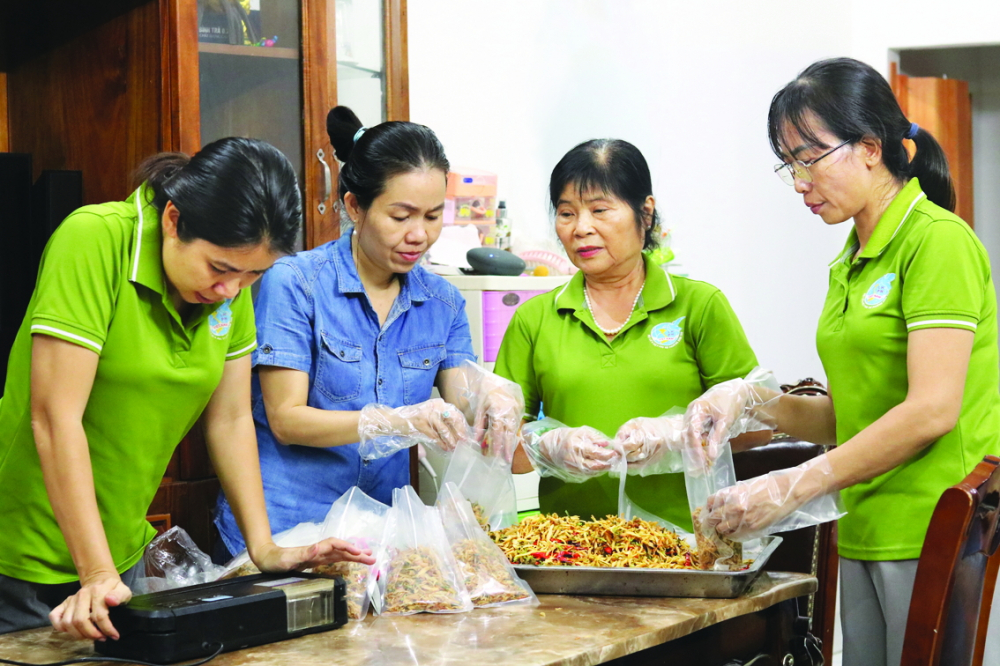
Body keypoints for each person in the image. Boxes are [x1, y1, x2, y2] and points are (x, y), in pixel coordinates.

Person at [684, 57, 1000, 666]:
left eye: (810, 157)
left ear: (871, 148)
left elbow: (932, 410)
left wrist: (796, 483)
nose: (799, 180)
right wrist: (753, 403)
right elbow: (849, 414)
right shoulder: (851, 258)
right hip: (860, 521)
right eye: (788, 164)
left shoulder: (936, 242)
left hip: (929, 528)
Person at [0, 138, 374, 640]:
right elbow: (54, 417)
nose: (231, 290)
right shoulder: (95, 239)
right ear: (173, 220)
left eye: (252, 275)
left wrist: (261, 548)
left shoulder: (229, 286)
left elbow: (231, 419)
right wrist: (93, 572)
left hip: (117, 557)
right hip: (17, 552)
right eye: (220, 269)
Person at [213, 107, 520, 560]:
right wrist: (396, 421)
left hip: (376, 538)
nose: (419, 234)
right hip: (284, 532)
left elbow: (464, 400)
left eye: (433, 216)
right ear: (355, 206)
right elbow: (286, 420)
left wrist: (494, 401)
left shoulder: (444, 304)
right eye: (401, 216)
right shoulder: (296, 283)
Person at [494, 138, 767, 531]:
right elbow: (500, 450)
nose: (581, 228)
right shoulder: (534, 318)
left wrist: (676, 437)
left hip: (686, 545)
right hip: (570, 549)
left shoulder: (699, 306)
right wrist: (548, 448)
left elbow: (756, 428)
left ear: (646, 212)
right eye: (567, 213)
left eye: (600, 210)